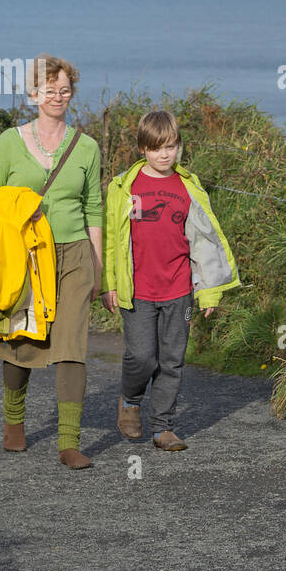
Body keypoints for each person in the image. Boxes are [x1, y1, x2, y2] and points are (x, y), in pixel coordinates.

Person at [0, 54, 103, 469]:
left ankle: (69, 443)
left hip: (74, 256)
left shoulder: (87, 147)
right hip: (25, 255)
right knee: (21, 342)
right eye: (49, 89)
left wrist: (98, 267)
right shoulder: (8, 142)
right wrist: (19, 209)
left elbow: (95, 210)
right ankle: (14, 420)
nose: (58, 96)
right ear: (33, 93)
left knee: (72, 346)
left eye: (65, 89)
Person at [100, 109, 240, 451]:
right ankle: (131, 399)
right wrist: (109, 284)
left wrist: (208, 293)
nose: (165, 154)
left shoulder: (187, 187)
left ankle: (163, 427)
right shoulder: (125, 187)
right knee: (142, 356)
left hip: (180, 292)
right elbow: (112, 241)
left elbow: (204, 243)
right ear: (143, 149)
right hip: (139, 292)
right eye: (157, 148)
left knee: (172, 360)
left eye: (172, 146)